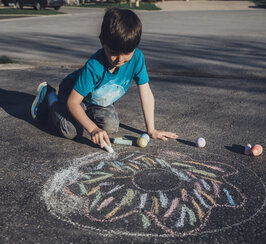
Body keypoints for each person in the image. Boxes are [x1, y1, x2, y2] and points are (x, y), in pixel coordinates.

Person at [30, 8, 178, 149]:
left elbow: (145, 93)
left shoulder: (137, 58)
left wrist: (151, 130)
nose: (119, 59)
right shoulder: (95, 66)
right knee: (70, 130)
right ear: (102, 42)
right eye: (113, 52)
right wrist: (93, 129)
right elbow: (73, 102)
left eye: (127, 53)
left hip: (95, 102)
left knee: (110, 127)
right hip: (72, 95)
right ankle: (49, 96)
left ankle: (84, 114)